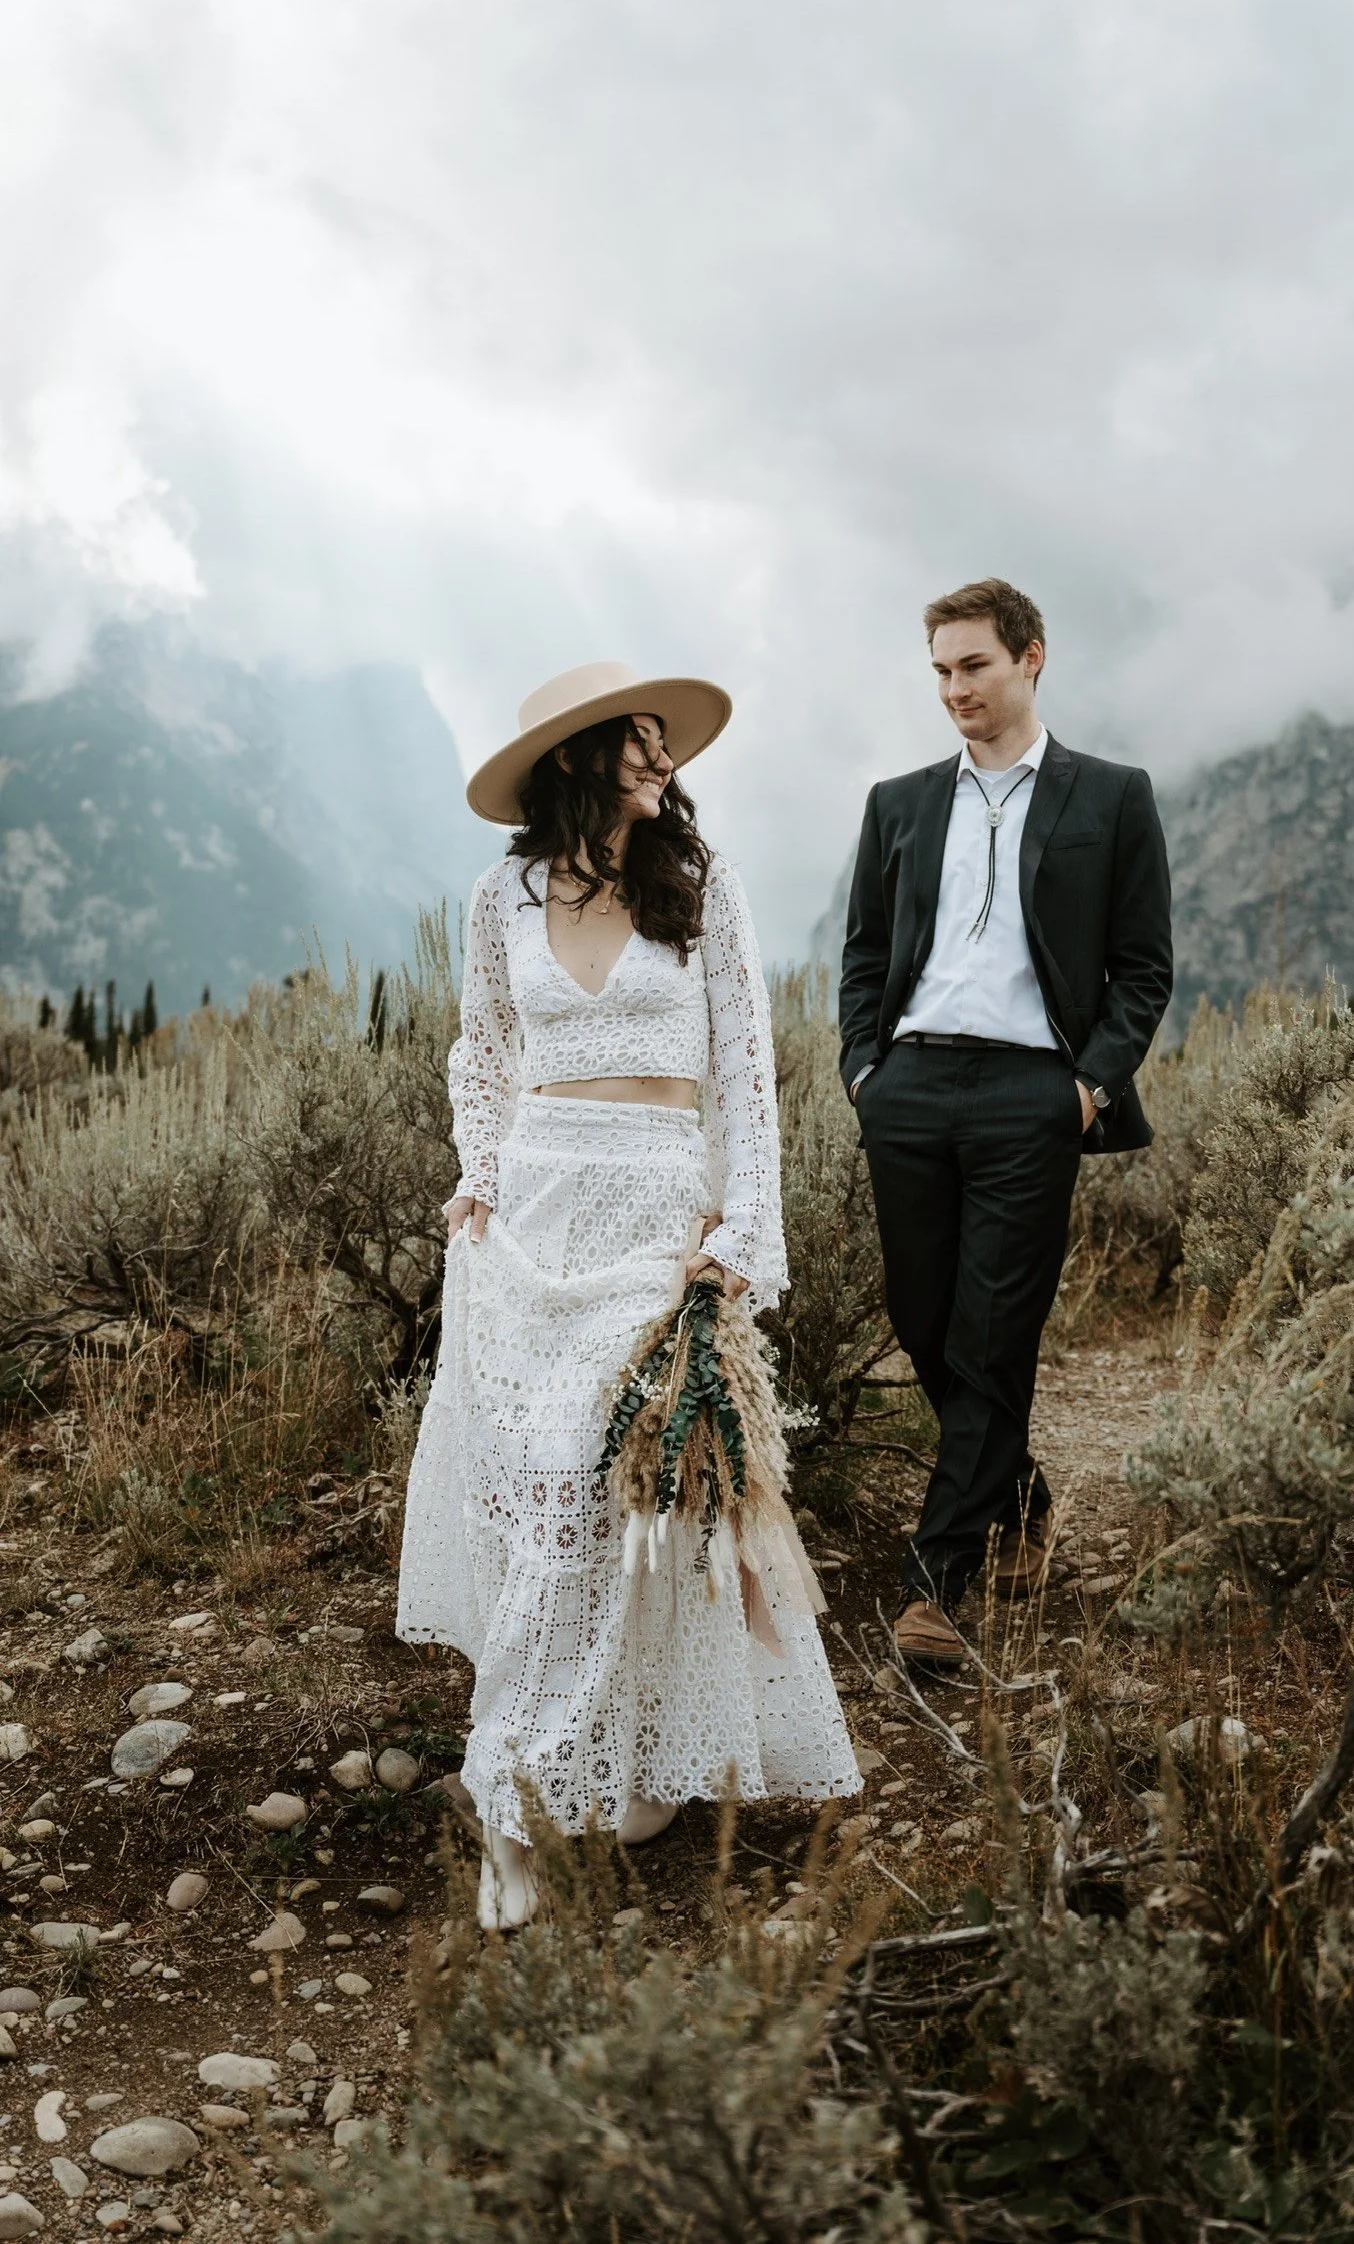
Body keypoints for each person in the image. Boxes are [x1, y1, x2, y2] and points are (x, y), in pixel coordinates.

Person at [397, 662, 859, 1927]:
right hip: (531, 1226)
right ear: (577, 759)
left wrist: (743, 1226)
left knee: (616, 1491)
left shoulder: (702, 889)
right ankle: (537, 1787)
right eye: (637, 744)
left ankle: (548, 1788)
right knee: (548, 1496)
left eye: (667, 744)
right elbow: (481, 1050)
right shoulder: (504, 895)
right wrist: (476, 1176)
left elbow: (749, 1074)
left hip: (655, 1218)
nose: (662, 762)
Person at [839, 581, 1173, 1665]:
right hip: (912, 1088)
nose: (954, 689)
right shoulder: (898, 802)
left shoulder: (1113, 797)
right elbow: (862, 954)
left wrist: (1087, 1083)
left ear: (1032, 657)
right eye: (940, 669)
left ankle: (936, 1579)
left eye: (973, 665)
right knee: (923, 1317)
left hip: (1036, 1092)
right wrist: (862, 1071)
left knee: (992, 1330)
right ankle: (1018, 1496)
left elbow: (1143, 968)